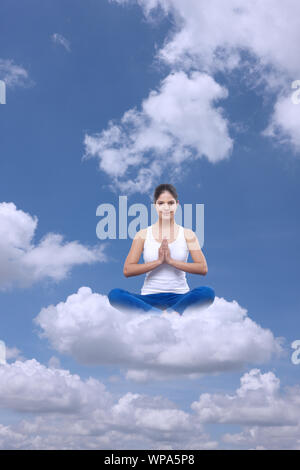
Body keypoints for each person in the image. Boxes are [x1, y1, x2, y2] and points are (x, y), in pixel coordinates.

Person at [108, 183, 215, 316]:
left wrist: (170, 261)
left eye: (170, 203)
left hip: (180, 297)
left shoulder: (188, 234)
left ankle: (164, 314)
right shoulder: (142, 234)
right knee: (115, 294)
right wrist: (158, 262)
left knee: (207, 292)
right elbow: (128, 270)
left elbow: (202, 268)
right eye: (161, 203)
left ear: (177, 205)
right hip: (149, 298)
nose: (166, 207)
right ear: (155, 206)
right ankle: (163, 315)